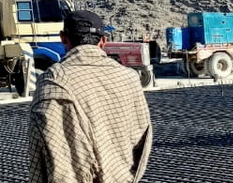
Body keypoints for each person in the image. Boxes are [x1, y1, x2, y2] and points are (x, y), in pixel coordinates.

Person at [27, 10, 153, 183]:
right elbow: (143, 137)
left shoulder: (54, 81)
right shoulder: (130, 78)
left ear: (63, 38)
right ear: (103, 41)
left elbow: (45, 146)